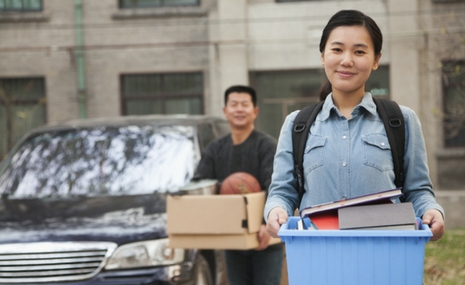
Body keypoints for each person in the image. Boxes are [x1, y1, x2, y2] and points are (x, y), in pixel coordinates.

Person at [264, 10, 445, 241]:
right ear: (322, 55)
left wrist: (432, 211)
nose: (347, 60)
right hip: (318, 260)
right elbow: (282, 192)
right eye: (337, 49)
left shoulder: (402, 120)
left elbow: (418, 191)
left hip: (386, 258)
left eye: (359, 51)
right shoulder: (296, 125)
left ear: (376, 59)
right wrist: (276, 210)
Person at [194, 85, 284, 285]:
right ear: (225, 111)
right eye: (234, 104)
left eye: (245, 104)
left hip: (265, 239)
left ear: (255, 111)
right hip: (233, 238)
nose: (239, 109)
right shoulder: (215, 149)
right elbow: (200, 184)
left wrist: (265, 223)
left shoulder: (267, 145)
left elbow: (275, 185)